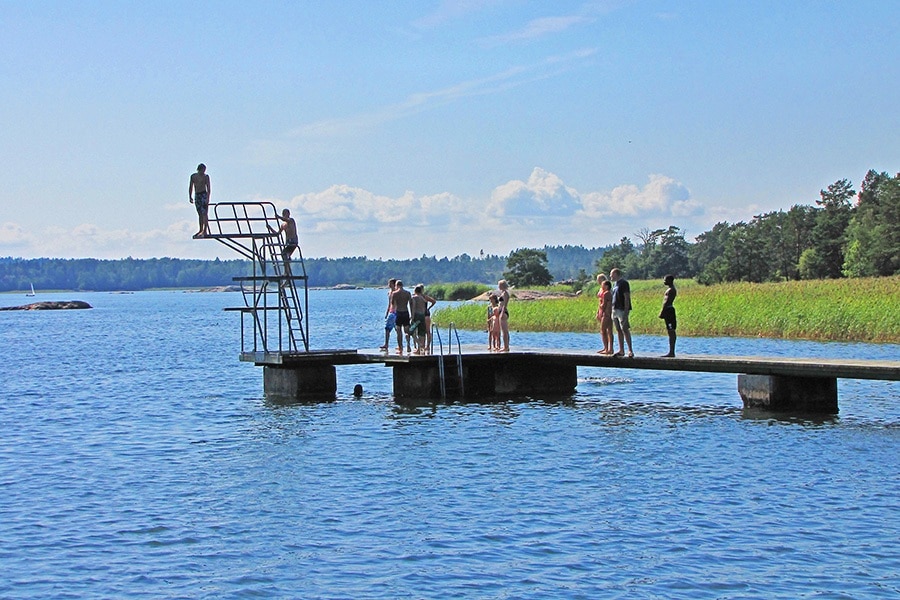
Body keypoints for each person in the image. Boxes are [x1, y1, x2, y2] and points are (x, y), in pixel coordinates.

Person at [610, 268, 634, 357]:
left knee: (625, 329)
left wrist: (626, 312)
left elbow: (627, 297)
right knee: (618, 330)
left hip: (622, 309)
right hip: (615, 309)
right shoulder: (615, 284)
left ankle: (630, 350)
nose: (610, 276)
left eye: (611, 274)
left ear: (616, 274)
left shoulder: (624, 283)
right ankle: (621, 350)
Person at [275, 208, 298, 285]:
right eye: (284, 214)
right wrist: (269, 228)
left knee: (284, 255)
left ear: (289, 214)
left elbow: (285, 220)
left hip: (293, 241)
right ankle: (287, 276)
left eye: (287, 214)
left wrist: (278, 217)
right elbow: (277, 234)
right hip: (288, 243)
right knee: (285, 257)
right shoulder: (283, 225)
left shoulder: (291, 221)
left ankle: (286, 273)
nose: (285, 215)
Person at [188, 163, 211, 238]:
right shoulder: (193, 176)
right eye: (203, 170)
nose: (203, 172)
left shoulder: (206, 177)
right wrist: (190, 196)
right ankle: (200, 229)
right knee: (200, 214)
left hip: (203, 195)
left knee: (204, 213)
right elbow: (191, 186)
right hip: (197, 195)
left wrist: (207, 198)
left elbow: (208, 188)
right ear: (199, 169)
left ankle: (205, 230)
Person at [391, 280, 413, 354]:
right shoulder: (407, 293)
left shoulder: (394, 293)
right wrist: (412, 314)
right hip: (406, 312)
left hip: (399, 313)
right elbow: (411, 304)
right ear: (402, 285)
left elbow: (393, 304)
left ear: (397, 285)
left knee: (399, 331)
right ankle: (408, 345)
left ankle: (400, 347)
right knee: (407, 331)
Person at [659, 274, 677, 357]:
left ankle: (671, 352)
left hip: (669, 311)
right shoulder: (669, 289)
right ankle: (671, 351)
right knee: (670, 331)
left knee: (671, 330)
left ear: (670, 280)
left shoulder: (671, 290)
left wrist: (662, 312)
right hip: (668, 310)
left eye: (665, 280)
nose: (664, 281)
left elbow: (667, 302)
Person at [410, 285, 430, 354]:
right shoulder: (423, 298)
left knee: (411, 331)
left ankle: (419, 346)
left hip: (417, 316)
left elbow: (414, 307)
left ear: (415, 291)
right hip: (422, 316)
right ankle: (422, 348)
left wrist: (412, 317)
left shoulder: (414, 298)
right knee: (422, 333)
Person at [419, 284, 438, 353]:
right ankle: (424, 346)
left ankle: (426, 346)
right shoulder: (423, 297)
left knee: (426, 331)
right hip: (424, 314)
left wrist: (429, 308)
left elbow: (433, 301)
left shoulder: (423, 297)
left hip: (425, 314)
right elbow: (433, 301)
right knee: (425, 331)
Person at [380, 278, 397, 351]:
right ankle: (386, 344)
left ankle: (400, 345)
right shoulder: (390, 292)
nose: (388, 284)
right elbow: (389, 303)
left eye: (390, 283)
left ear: (393, 284)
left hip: (396, 312)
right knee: (387, 329)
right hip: (391, 311)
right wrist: (387, 312)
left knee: (397, 329)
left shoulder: (397, 292)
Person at [597, 279, 614, 354]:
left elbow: (603, 306)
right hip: (610, 315)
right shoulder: (610, 293)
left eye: (603, 285)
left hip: (606, 315)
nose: (602, 287)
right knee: (610, 331)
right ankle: (610, 349)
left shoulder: (606, 293)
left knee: (603, 331)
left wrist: (600, 302)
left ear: (607, 286)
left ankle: (606, 348)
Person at [496, 279, 511, 352]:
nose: (498, 286)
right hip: (501, 311)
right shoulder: (502, 293)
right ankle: (506, 346)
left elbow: (505, 304)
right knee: (504, 331)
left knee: (504, 331)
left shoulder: (505, 293)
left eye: (499, 285)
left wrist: (502, 312)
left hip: (503, 312)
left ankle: (506, 347)